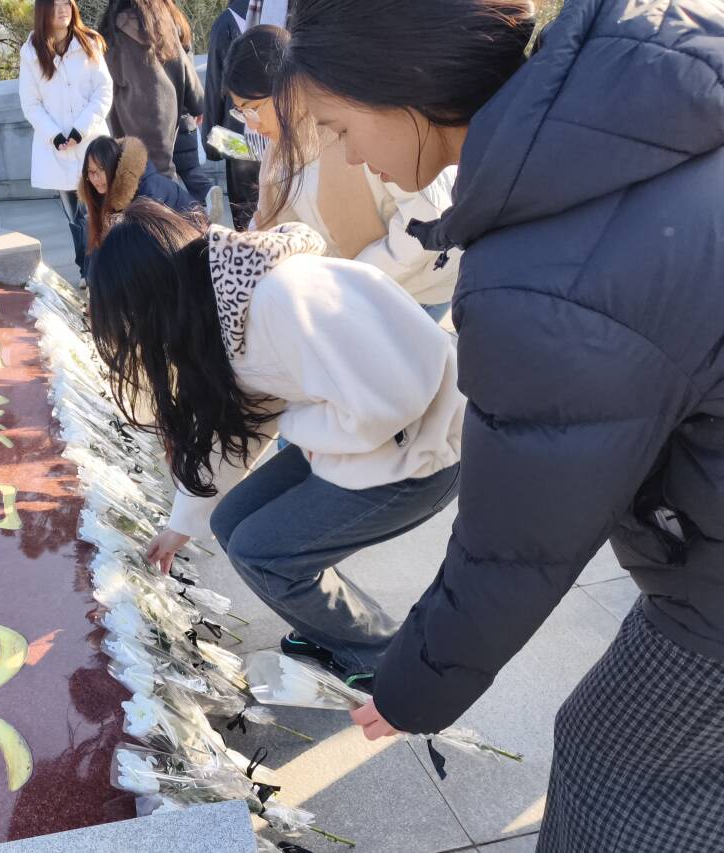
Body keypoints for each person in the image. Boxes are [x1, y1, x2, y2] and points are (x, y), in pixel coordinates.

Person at [280, 2, 724, 850]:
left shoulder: (544, 270)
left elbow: (515, 545)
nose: (351, 157)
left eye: (339, 126)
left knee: (611, 773)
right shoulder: (632, 93)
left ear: (404, 86)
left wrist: (412, 686)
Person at [89, 199, 463, 691]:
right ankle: (329, 627)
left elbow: (395, 397)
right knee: (230, 522)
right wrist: (180, 526)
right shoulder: (227, 305)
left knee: (262, 552)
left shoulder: (280, 298)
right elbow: (237, 429)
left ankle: (386, 659)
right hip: (363, 440)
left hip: (423, 451)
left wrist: (298, 425)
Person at [228, 26, 458, 317]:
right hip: (363, 293)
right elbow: (277, 228)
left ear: (287, 86)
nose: (251, 124)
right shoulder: (281, 154)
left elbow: (425, 213)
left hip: (424, 287)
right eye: (240, 113)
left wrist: (352, 278)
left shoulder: (356, 117)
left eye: (252, 108)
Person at [18, 0, 112, 281]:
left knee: (99, 209)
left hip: (90, 143)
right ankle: (86, 269)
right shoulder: (31, 52)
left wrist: (79, 130)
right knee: (75, 216)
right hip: (56, 149)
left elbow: (103, 90)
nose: (63, 10)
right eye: (55, 5)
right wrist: (55, 135)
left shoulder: (89, 43)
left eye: (66, 4)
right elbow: (31, 103)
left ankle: (102, 268)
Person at [99, 0, 202, 182]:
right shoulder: (163, 24)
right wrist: (198, 105)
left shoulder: (111, 31)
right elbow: (184, 66)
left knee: (133, 174)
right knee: (164, 170)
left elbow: (106, 78)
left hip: (128, 112)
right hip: (164, 108)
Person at [79, 135, 195, 256]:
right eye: (91, 171)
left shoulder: (147, 193)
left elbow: (150, 249)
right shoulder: (99, 193)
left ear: (113, 165)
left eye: (101, 169)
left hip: (190, 245)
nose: (95, 178)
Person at [202, 0, 262, 230]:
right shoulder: (283, 11)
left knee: (245, 212)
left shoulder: (226, 22)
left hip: (238, 135)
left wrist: (210, 142)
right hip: (278, 133)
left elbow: (215, 85)